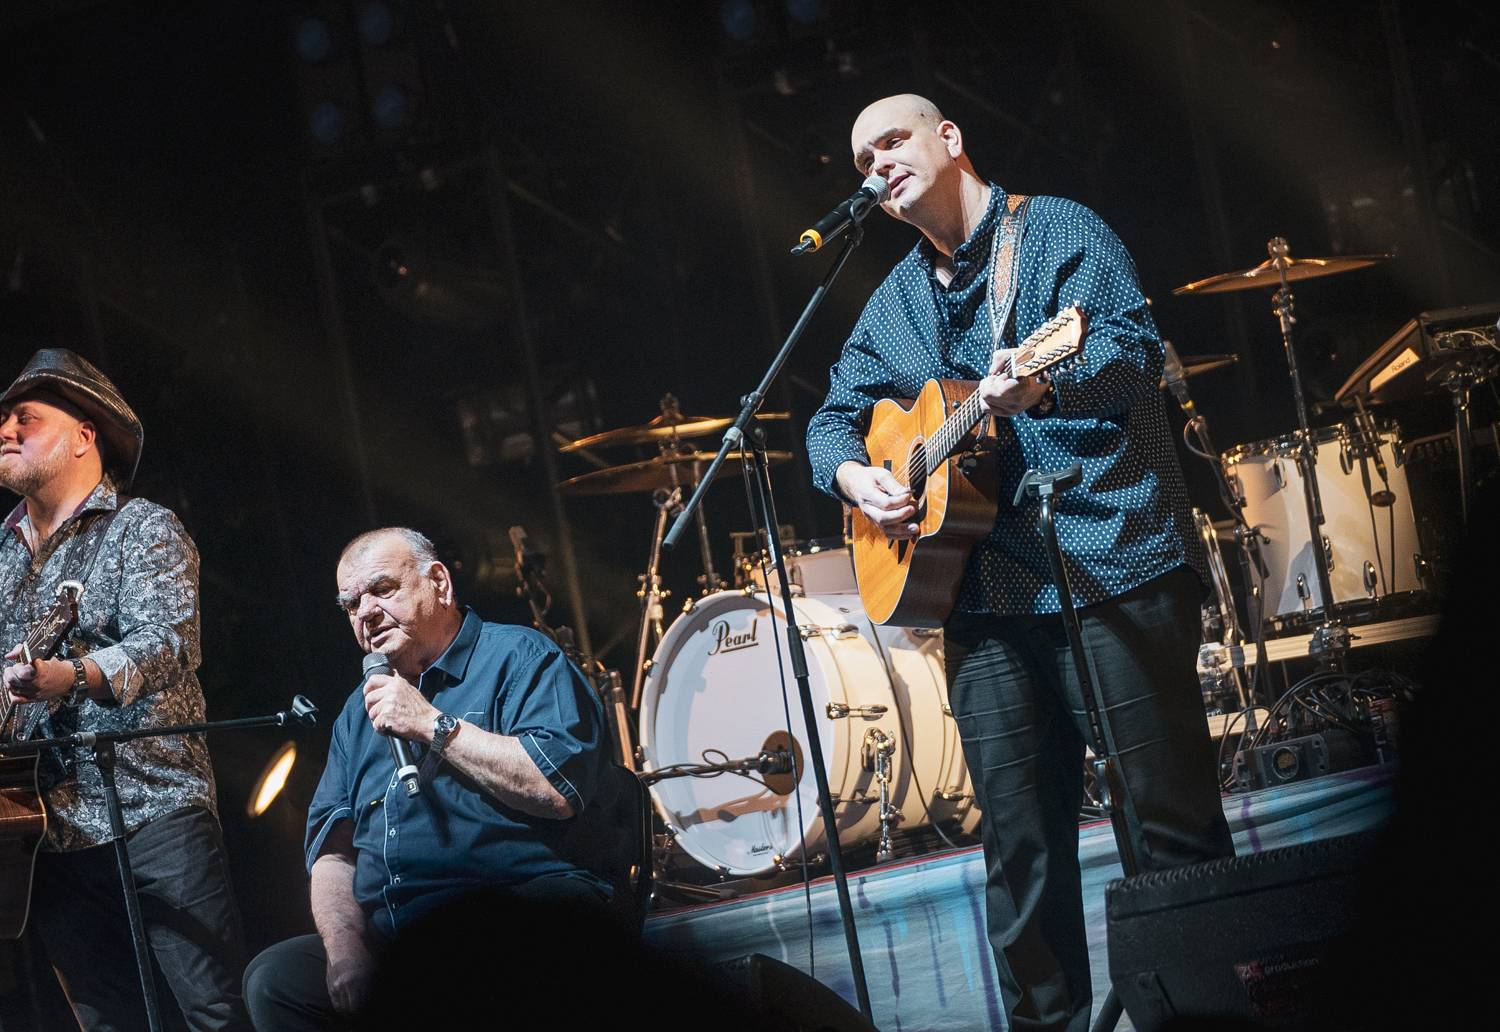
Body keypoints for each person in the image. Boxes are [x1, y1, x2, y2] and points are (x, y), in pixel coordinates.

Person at [806, 95, 1235, 1031]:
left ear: (949, 139)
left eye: (893, 142)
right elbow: (830, 419)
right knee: (1018, 857)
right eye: (862, 161)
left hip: (1107, 565)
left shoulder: (1058, 233)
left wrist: (1041, 386)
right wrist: (856, 479)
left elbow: (1131, 354)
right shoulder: (893, 301)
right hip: (984, 602)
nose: (878, 165)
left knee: (1167, 833)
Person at [242, 527, 617, 1030]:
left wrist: (431, 724)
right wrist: (346, 950)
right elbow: (333, 854)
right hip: (399, 931)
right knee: (275, 979)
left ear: (439, 582)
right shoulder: (357, 713)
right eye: (351, 604)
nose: (367, 612)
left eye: (382, 589)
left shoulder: (520, 657)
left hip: (518, 906)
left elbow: (556, 787)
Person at [0, 348, 248, 1030]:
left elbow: (168, 643)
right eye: (2, 420)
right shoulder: (0, 555)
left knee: (214, 1011)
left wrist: (70, 675)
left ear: (85, 435)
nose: (5, 430)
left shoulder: (143, 528)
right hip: (44, 830)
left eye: (26, 417)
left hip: (154, 811)